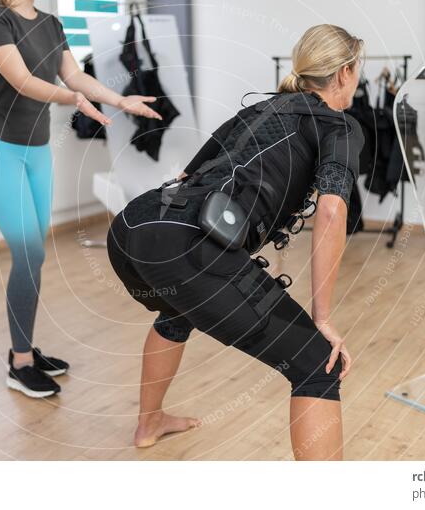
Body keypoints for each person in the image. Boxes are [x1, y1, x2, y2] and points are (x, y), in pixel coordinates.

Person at [107, 24, 364, 460]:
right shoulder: (339, 126)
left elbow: (188, 176)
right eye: (358, 69)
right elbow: (333, 210)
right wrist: (322, 317)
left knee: (176, 310)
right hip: (188, 249)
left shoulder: (258, 111)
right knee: (318, 363)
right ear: (343, 74)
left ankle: (149, 424)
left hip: (132, 228)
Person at [0, 0, 160, 399]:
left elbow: (73, 75)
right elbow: (23, 81)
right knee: (29, 254)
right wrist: (72, 98)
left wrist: (119, 98)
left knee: (34, 255)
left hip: (35, 153)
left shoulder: (52, 24)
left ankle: (26, 350)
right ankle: (19, 363)